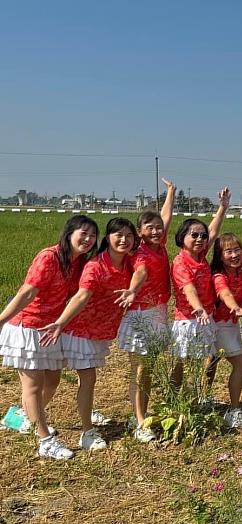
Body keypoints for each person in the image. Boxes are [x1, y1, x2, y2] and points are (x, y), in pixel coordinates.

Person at [0, 215, 98, 459]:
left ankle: (27, 418)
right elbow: (28, 291)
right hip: (28, 327)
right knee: (32, 387)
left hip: (51, 328)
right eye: (82, 233)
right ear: (69, 234)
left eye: (92, 235)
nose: (87, 239)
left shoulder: (79, 262)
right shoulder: (49, 256)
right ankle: (45, 441)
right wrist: (1, 319)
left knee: (52, 381)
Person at [38, 218, 137, 452]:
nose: (124, 240)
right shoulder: (96, 265)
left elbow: (157, 232)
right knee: (87, 380)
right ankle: (86, 432)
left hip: (99, 329)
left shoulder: (130, 263)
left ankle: (33, 416)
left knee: (55, 381)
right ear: (108, 238)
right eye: (118, 235)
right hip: (80, 329)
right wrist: (60, 323)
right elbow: (81, 296)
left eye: (129, 236)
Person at [115, 177, 176, 443]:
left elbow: (165, 217)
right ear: (139, 231)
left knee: (148, 368)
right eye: (149, 228)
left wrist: (171, 193)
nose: (155, 231)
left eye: (158, 229)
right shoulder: (139, 253)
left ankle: (141, 414)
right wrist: (132, 289)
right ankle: (140, 421)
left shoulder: (160, 246)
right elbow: (140, 272)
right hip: (141, 314)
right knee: (140, 369)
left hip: (159, 312)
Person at [170, 188, 229, 387]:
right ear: (182, 237)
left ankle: (202, 395)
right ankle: (176, 397)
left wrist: (222, 208)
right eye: (194, 235)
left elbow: (213, 231)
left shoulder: (201, 256)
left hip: (206, 317)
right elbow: (188, 289)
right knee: (185, 361)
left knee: (209, 357)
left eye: (202, 236)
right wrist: (199, 308)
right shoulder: (181, 262)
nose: (200, 239)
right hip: (189, 319)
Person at [208, 233, 242, 428]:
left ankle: (203, 397)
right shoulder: (219, 275)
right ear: (219, 255)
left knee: (212, 359)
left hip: (230, 323)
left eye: (237, 250)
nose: (235, 255)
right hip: (220, 323)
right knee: (241, 363)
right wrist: (235, 307)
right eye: (229, 251)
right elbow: (224, 293)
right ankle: (233, 410)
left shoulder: (238, 268)